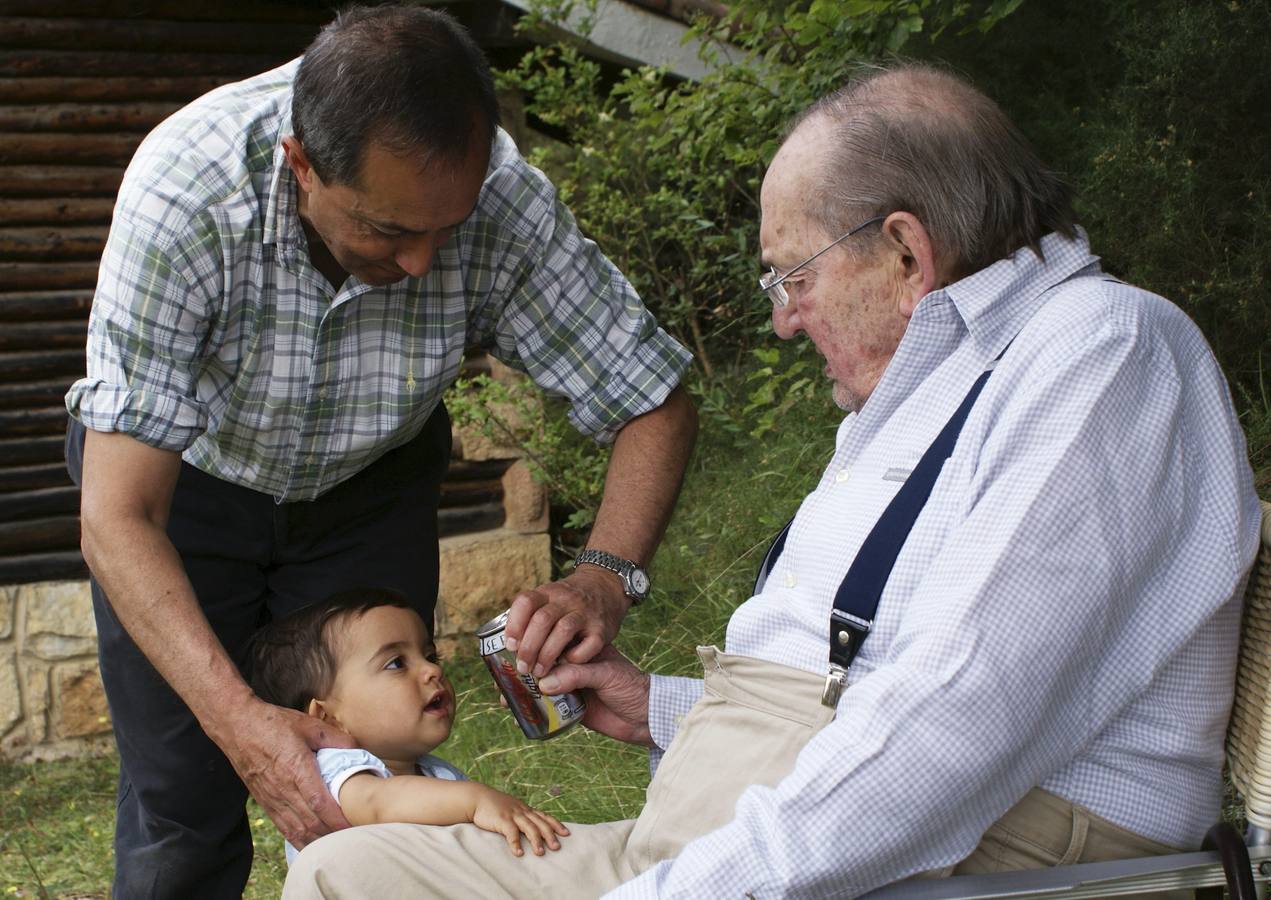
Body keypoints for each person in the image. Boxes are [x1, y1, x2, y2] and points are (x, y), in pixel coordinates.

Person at [282, 62, 1263, 899]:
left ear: (905, 252)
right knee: (344, 872)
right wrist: (662, 708)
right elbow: (864, 677)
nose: (784, 320)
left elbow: (950, 726)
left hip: (952, 862)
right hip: (752, 839)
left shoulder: (1097, 354)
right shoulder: (920, 387)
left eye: (791, 277)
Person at [64, 5, 696, 898]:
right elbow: (116, 512)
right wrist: (242, 725)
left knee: (382, 778)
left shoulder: (507, 203)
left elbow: (653, 400)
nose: (423, 266)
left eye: (450, 227)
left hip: (369, 490)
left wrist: (601, 575)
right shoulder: (188, 194)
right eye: (391, 231)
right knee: (183, 805)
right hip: (185, 494)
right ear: (302, 166)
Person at [246, 589, 570, 865]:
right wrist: (475, 800)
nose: (431, 669)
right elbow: (376, 804)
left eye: (430, 654)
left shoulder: (437, 775)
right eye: (396, 663)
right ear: (328, 719)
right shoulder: (331, 771)